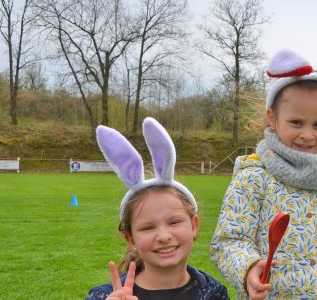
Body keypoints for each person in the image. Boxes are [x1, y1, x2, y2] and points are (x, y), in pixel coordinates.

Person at [210, 33, 317, 299]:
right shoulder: (253, 178)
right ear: (272, 118)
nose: (307, 135)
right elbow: (228, 241)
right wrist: (248, 267)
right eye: (296, 122)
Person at [85, 117, 229, 300]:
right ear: (131, 239)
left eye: (174, 222)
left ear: (194, 225)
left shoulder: (214, 293)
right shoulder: (105, 296)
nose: (163, 236)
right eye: (147, 227)